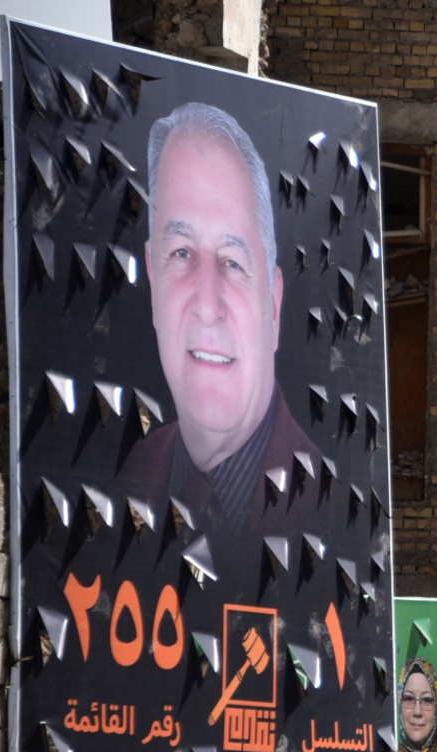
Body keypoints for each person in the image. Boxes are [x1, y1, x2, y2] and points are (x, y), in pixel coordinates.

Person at [123, 102, 321, 559]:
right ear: (152, 279)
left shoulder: (331, 502)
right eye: (181, 253)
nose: (207, 307)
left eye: (232, 262)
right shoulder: (129, 475)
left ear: (273, 306)